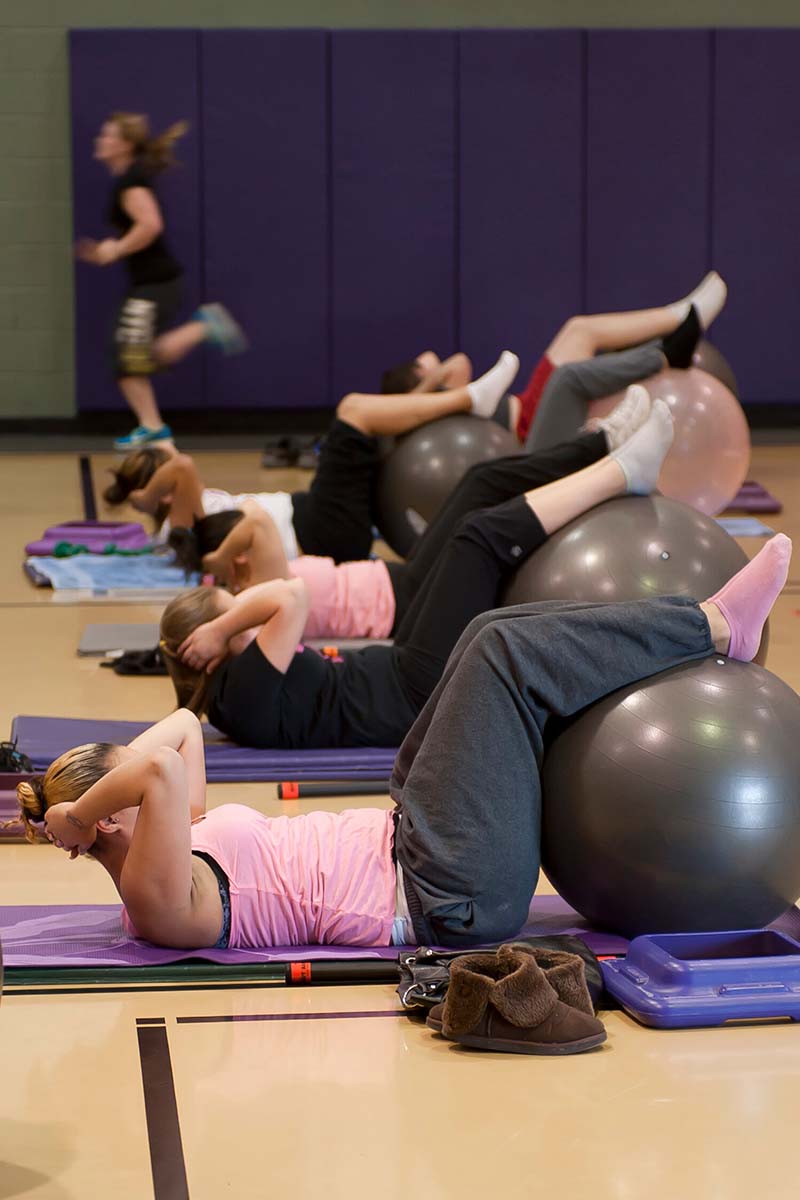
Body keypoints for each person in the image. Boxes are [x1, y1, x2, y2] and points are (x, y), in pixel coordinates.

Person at [20, 536, 790, 950]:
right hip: (442, 896)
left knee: (483, 635)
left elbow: (182, 730)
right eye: (116, 801)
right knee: (503, 659)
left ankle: (691, 632)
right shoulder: (152, 899)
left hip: (416, 842)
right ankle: (715, 624)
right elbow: (154, 765)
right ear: (113, 822)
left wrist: (82, 810)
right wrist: (77, 815)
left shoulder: (176, 841)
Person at [157, 398, 676, 751]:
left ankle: (605, 449)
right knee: (480, 537)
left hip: (404, 668)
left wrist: (223, 626)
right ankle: (620, 474)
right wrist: (222, 626)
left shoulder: (236, 687)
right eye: (231, 618)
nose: (241, 620)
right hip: (414, 692)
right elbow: (290, 596)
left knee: (477, 499)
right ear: (207, 649)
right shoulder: (239, 692)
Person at [169, 388, 653, 642]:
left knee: (478, 481)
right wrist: (217, 564)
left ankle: (600, 450)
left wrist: (216, 566)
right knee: (482, 496)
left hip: (403, 581)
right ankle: (602, 450)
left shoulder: (256, 585)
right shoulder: (263, 593)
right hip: (410, 601)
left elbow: (250, 522)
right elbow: (253, 518)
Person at [103, 349, 522, 564]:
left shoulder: (181, 506)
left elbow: (169, 457)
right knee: (352, 410)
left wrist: (144, 481)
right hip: (321, 529)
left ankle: (447, 399)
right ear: (160, 494)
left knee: (368, 427)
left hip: (322, 523)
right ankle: (468, 399)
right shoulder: (176, 528)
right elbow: (180, 464)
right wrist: (141, 498)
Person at [381, 271, 728, 446]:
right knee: (579, 341)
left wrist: (429, 375)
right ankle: (678, 328)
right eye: (421, 365)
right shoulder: (423, 408)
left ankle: (680, 317)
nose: (433, 363)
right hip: (530, 425)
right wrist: (430, 377)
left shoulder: (438, 400)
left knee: (579, 329)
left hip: (531, 407)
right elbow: (458, 364)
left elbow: (457, 367)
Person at [76, 112, 246, 451]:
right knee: (131, 355)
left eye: (108, 135)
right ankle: (153, 425)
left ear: (124, 145)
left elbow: (151, 225)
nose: (101, 140)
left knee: (127, 355)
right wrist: (107, 251)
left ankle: (201, 330)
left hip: (157, 283)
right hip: (152, 284)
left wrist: (115, 250)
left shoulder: (131, 182)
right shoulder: (128, 178)